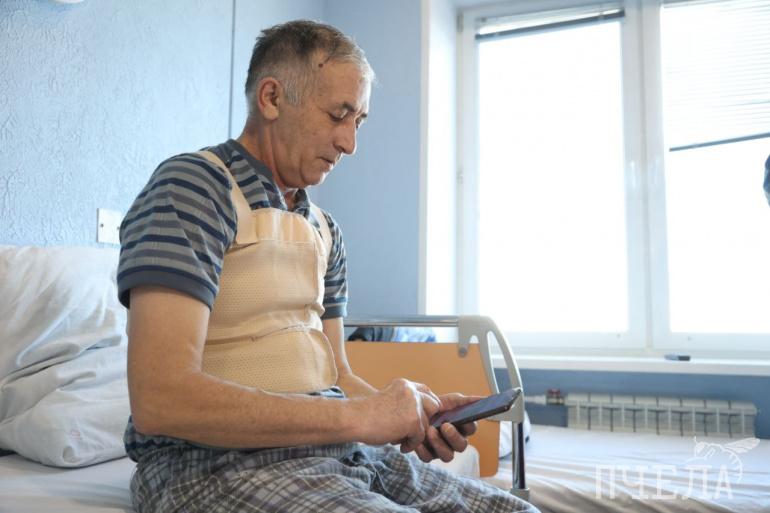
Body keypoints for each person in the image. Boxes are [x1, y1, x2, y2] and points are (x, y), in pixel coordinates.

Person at [118, 19, 538, 513]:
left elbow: (336, 375)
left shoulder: (324, 229)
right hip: (214, 464)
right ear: (272, 98)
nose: (349, 143)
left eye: (359, 121)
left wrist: (411, 414)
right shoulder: (193, 188)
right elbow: (161, 399)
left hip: (339, 453)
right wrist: (359, 418)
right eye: (339, 114)